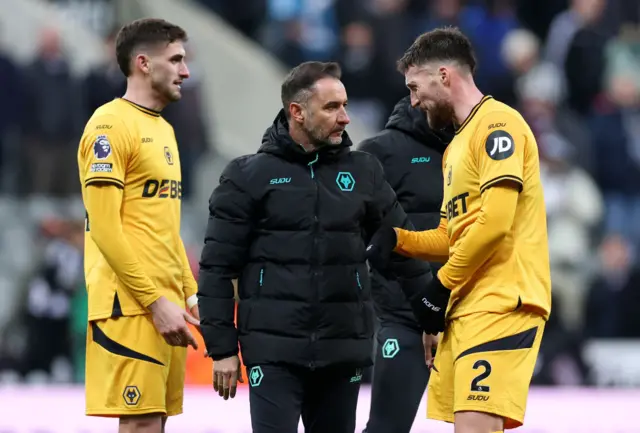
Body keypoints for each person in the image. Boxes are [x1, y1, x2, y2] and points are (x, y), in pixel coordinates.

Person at [196, 61, 431, 433]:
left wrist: (430, 317)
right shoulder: (247, 176)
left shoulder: (364, 171)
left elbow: (403, 247)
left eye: (345, 105)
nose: (345, 118)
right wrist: (222, 349)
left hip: (342, 351)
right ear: (297, 112)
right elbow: (217, 268)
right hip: (273, 354)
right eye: (332, 107)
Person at [365, 27, 552, 433]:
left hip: (502, 301)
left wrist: (440, 286)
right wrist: (399, 240)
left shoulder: (498, 125)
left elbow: (495, 225)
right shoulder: (456, 146)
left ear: (444, 76)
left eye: (415, 87)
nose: (413, 100)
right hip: (468, 308)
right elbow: (452, 234)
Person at [77, 18, 201, 433]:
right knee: (141, 425)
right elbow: (105, 229)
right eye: (177, 59)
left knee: (156, 423)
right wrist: (153, 301)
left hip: (164, 304)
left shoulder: (163, 129)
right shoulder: (109, 125)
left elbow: (164, 228)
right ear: (144, 63)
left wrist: (189, 293)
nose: (186, 71)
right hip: (129, 305)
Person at [357, 96, 452, 433]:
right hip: (405, 314)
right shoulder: (380, 151)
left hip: (470, 313)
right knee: (387, 427)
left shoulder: (475, 145)